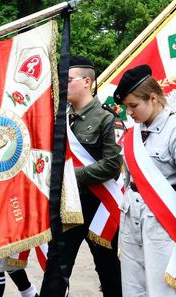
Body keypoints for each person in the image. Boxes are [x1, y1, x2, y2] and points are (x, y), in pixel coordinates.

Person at [114, 65, 176, 297]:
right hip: (131, 216)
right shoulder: (133, 132)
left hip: (163, 220)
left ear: (153, 98)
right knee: (132, 287)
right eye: (127, 107)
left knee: (164, 289)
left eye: (134, 106)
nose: (130, 113)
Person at [54, 55, 122, 297]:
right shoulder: (60, 118)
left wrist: (71, 177)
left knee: (108, 270)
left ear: (86, 81)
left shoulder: (107, 118)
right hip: (68, 207)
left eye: (68, 79)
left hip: (98, 205)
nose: (63, 84)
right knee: (57, 269)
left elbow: (113, 165)